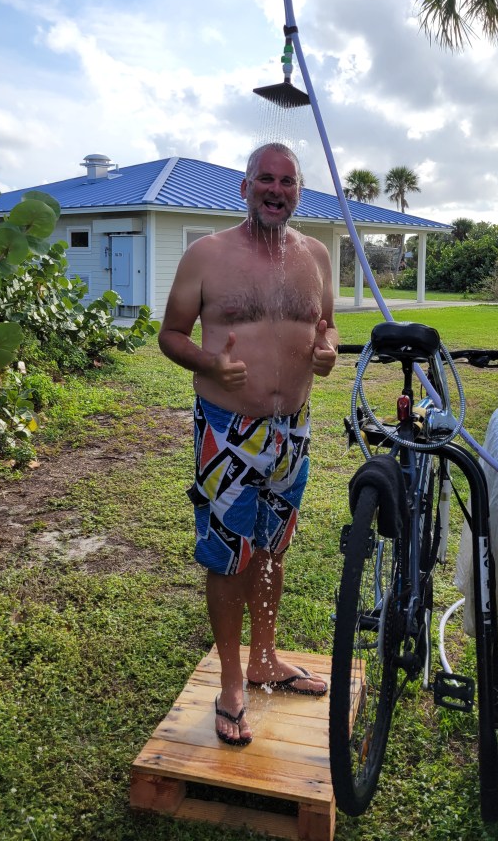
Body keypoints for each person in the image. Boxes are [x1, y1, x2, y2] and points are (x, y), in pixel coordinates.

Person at [158, 143, 338, 745]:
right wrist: (211, 363)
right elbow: (170, 334)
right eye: (265, 178)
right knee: (227, 556)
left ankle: (265, 658)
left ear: (298, 191)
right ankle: (232, 681)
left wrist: (327, 351)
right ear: (245, 187)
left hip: (292, 430)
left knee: (272, 548)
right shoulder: (207, 255)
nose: (276, 189)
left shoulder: (315, 256)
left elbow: (326, 326)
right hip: (227, 432)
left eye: (288, 181)